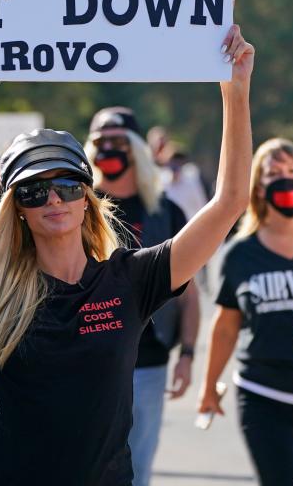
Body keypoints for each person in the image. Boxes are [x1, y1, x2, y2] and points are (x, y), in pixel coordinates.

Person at [0, 0, 254, 485]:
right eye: (35, 191)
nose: (53, 199)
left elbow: (230, 201)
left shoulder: (132, 278)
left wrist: (235, 93)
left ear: (87, 197)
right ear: (17, 209)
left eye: (65, 186)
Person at [198, 139, 293, 486]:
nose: (284, 180)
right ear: (258, 187)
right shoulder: (240, 253)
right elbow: (226, 326)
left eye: (292, 171)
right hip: (263, 394)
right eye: (273, 174)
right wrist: (209, 386)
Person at [85, 106, 201, 486]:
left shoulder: (165, 212)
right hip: (86, 357)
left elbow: (189, 293)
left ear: (136, 147)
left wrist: (186, 354)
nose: (109, 150)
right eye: (101, 143)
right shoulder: (76, 209)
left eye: (118, 142)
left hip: (148, 361)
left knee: (136, 470)